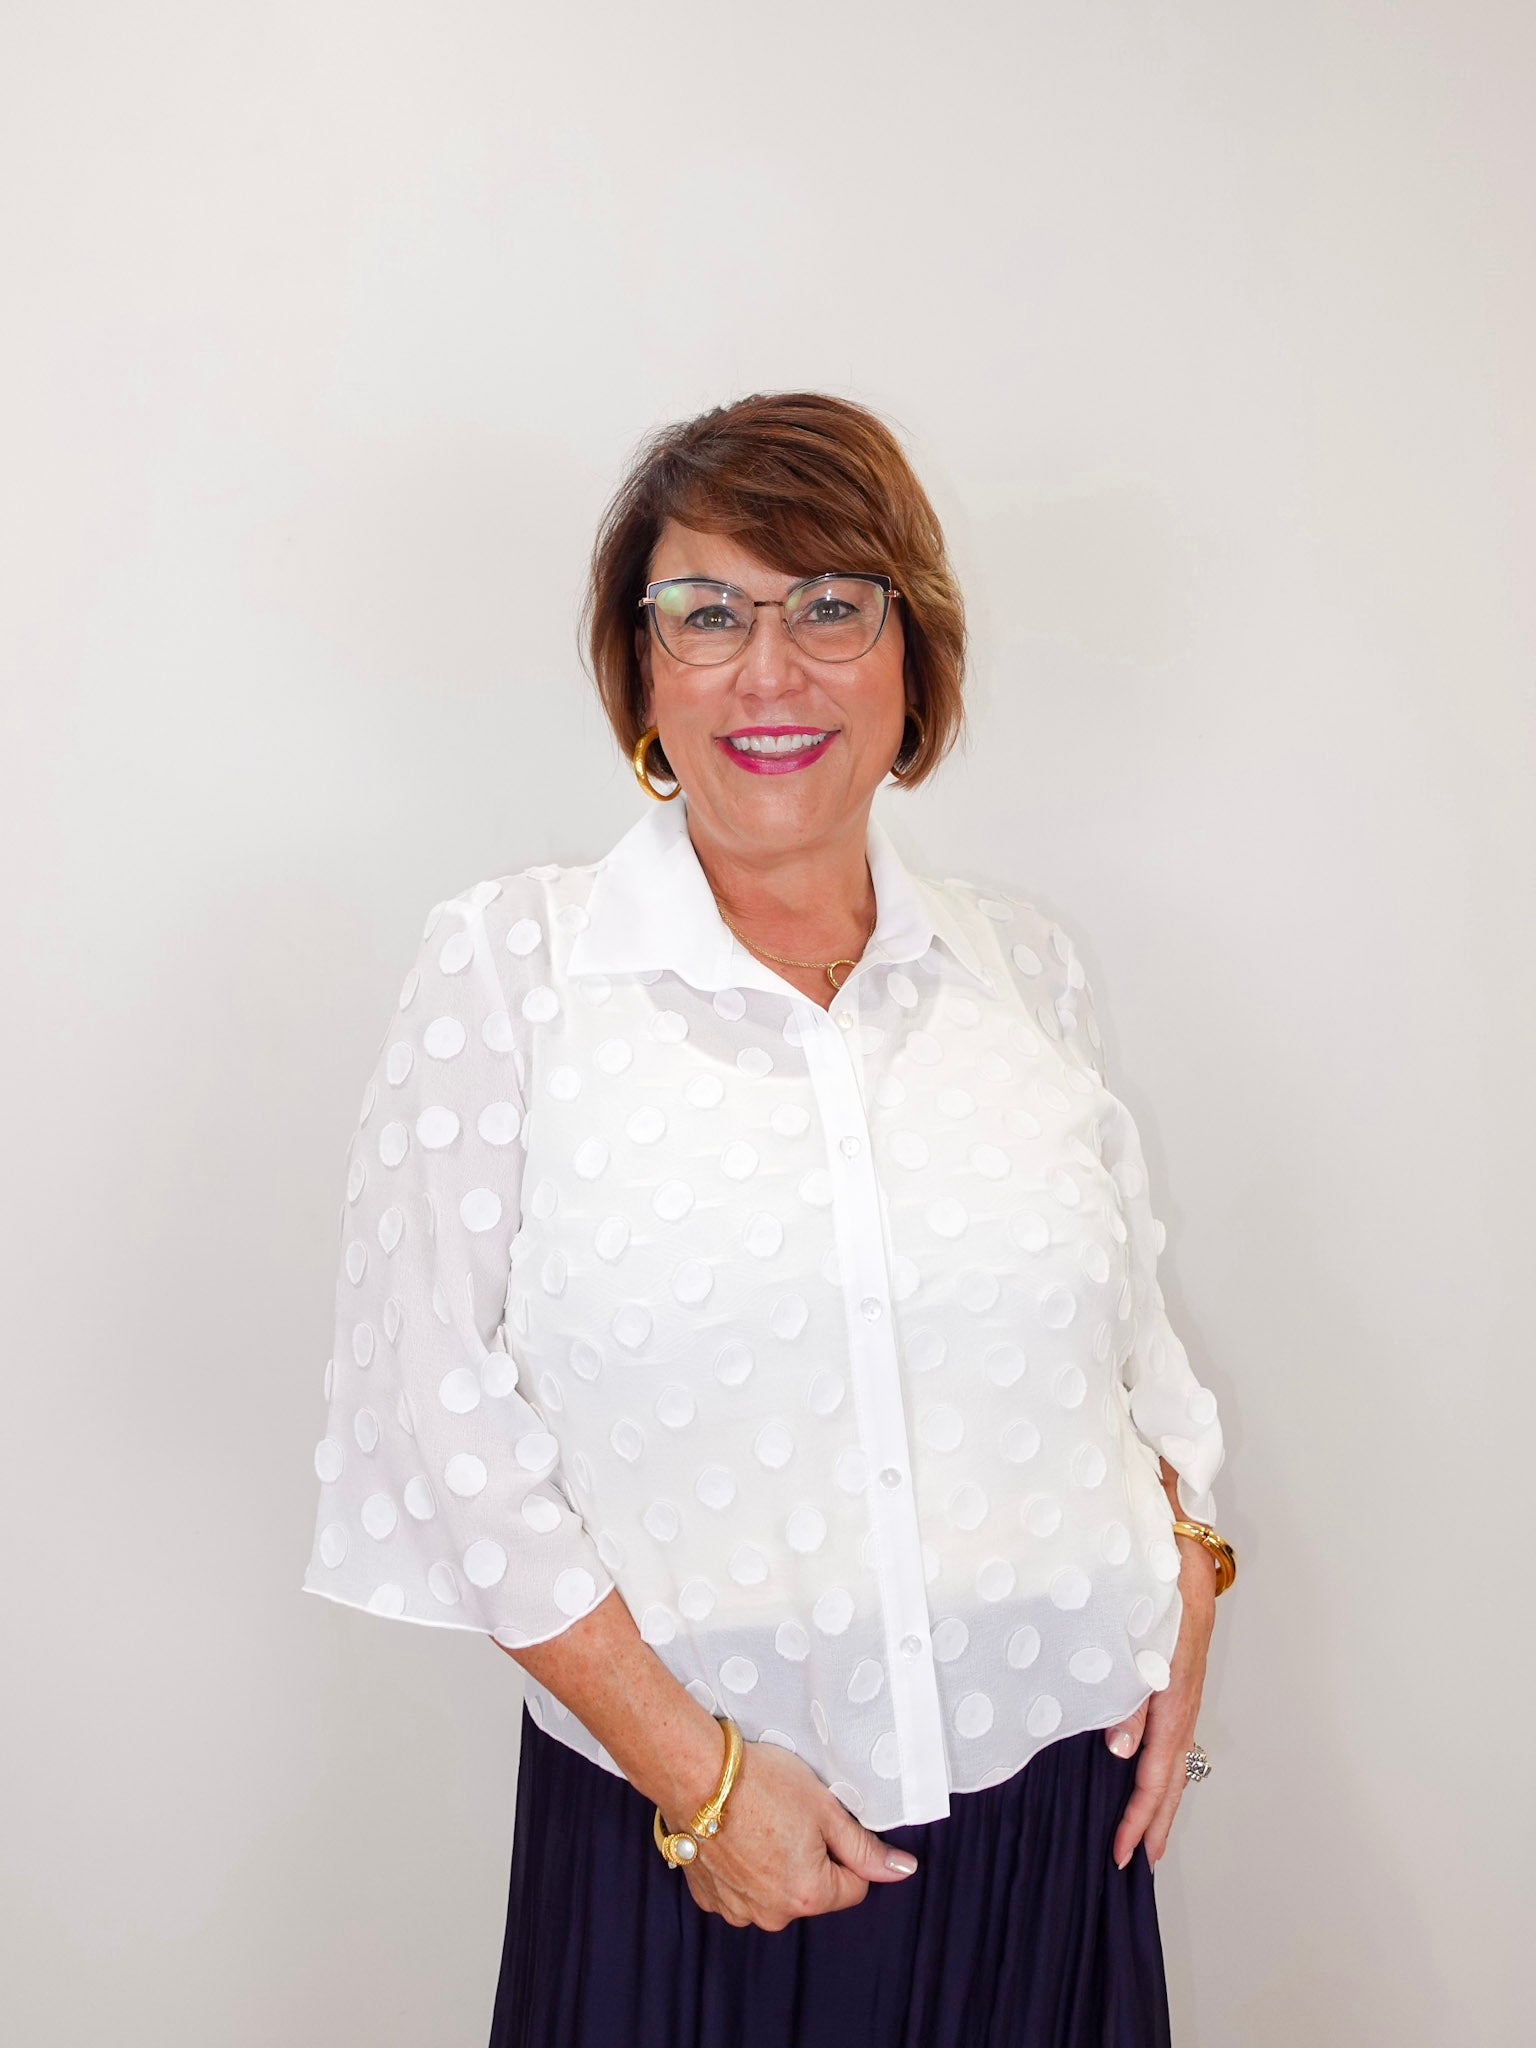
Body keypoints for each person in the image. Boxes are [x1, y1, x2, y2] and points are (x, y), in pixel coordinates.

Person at [300, 390, 1237, 2047]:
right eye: (707, 614)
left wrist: (1191, 1588)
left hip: (1049, 1830)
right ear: (641, 671)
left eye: (829, 608)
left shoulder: (1026, 969)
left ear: (909, 659)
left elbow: (1130, 1358)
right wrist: (695, 1774)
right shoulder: (515, 970)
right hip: (701, 1842)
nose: (770, 671)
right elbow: (428, 1404)